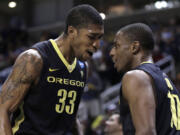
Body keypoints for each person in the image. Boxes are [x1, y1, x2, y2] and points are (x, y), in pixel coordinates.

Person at [0, 4, 104, 135]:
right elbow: (2, 110)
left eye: (99, 38)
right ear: (72, 31)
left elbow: (71, 117)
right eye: (91, 37)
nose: (97, 45)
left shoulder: (82, 68)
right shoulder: (34, 59)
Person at [110, 23, 180, 135]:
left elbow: (146, 132)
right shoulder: (163, 77)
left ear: (134, 47)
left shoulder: (136, 77)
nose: (112, 52)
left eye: (117, 46)